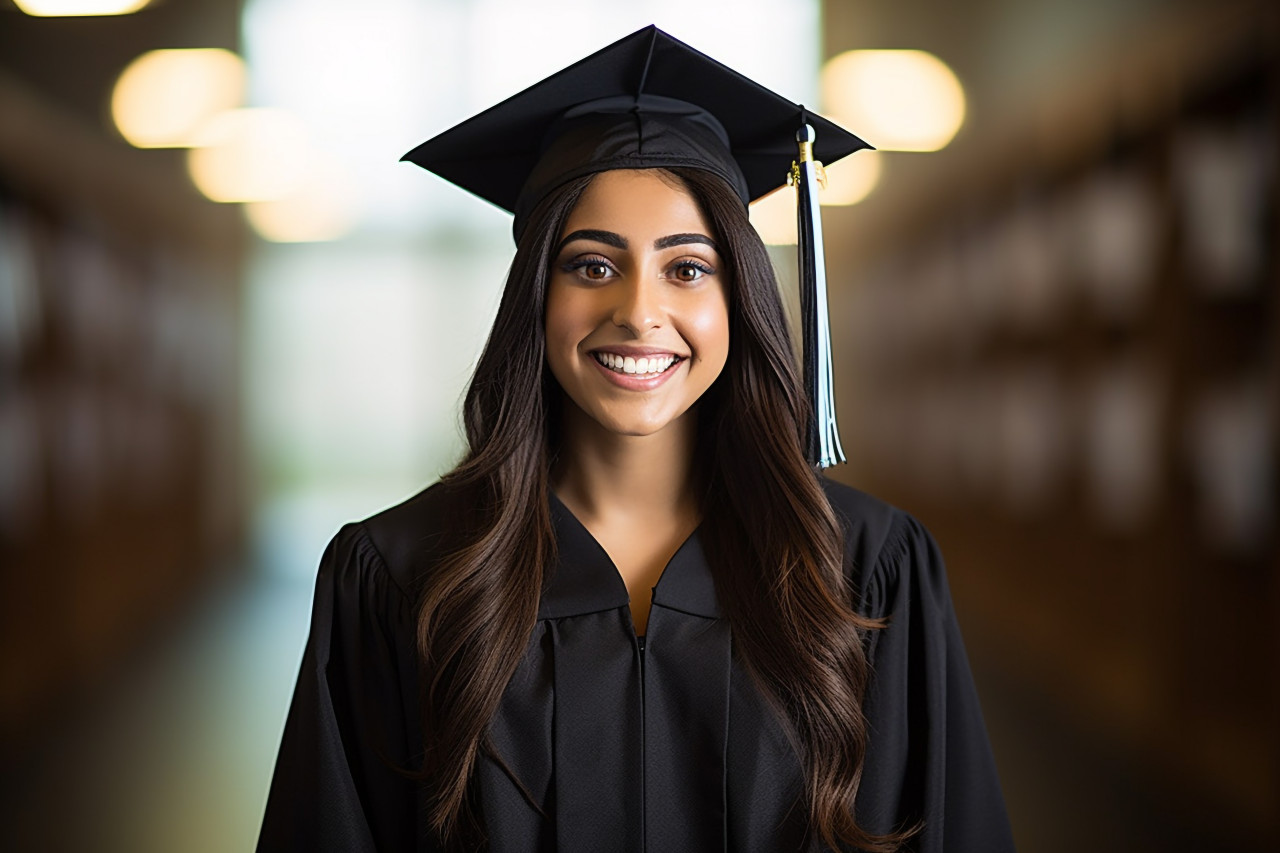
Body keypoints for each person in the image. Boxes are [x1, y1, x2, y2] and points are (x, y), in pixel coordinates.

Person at [257, 26, 1014, 853]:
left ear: (740, 298)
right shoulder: (399, 576)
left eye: (687, 268)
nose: (638, 312)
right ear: (536, 296)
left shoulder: (867, 572)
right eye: (591, 264)